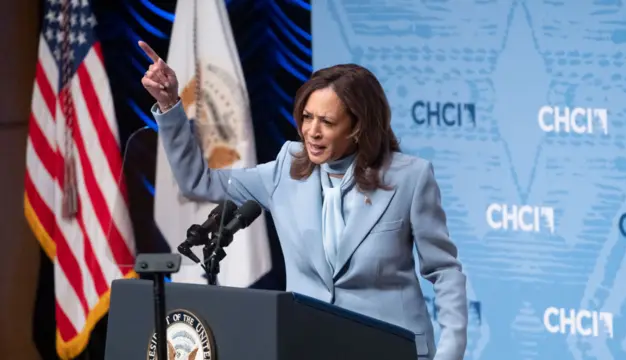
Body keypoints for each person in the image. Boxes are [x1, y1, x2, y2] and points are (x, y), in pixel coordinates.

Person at [139, 40, 468, 360]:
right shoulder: (287, 167)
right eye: (307, 117)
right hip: (311, 347)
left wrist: (450, 353)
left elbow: (445, 272)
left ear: (358, 127)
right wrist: (170, 108)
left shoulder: (410, 178)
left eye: (326, 122)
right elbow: (198, 181)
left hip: (391, 349)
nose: (311, 131)